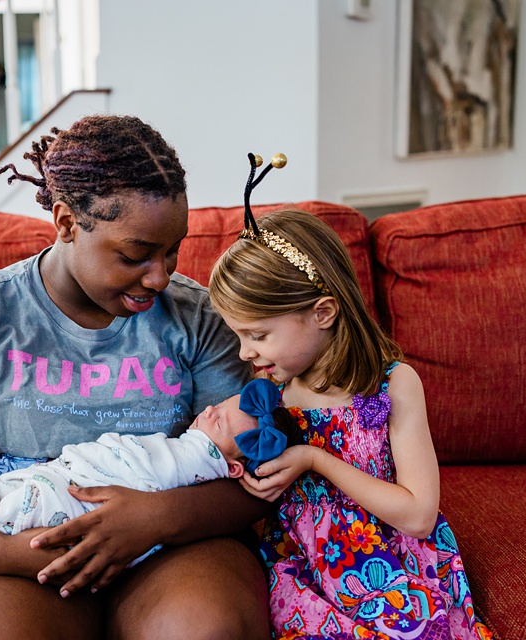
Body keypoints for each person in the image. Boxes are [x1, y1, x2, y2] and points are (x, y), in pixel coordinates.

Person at [0, 115, 271, 640]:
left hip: (177, 537)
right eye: (135, 254)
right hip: (24, 544)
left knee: (204, 628)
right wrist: (7, 554)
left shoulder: (196, 318)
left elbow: (258, 471)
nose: (159, 276)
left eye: (172, 251)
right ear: (65, 223)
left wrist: (155, 519)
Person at [205, 154, 493, 640]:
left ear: (323, 312)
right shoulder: (270, 392)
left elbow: (419, 515)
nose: (245, 352)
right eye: (238, 335)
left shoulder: (393, 384)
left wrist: (313, 459)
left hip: (389, 564)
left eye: (257, 335)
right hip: (300, 571)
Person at [0, 378, 301, 539]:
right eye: (217, 406)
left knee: (58, 501)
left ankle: (24, 504)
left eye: (218, 421)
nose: (209, 410)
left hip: (108, 496)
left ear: (232, 467)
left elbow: (155, 474)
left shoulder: (197, 459)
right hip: (83, 467)